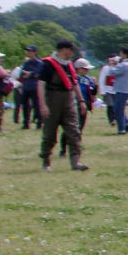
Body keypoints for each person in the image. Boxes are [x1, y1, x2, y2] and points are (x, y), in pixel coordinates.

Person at [36, 39, 88, 171]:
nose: (72, 53)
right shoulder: (47, 64)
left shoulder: (69, 65)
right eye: (70, 50)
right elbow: (40, 85)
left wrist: (81, 101)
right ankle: (46, 162)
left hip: (69, 100)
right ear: (63, 50)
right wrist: (43, 105)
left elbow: (74, 83)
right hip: (52, 100)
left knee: (74, 131)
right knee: (50, 133)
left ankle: (75, 162)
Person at [17, 44, 44, 130]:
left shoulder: (39, 63)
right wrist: (30, 74)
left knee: (36, 105)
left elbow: (38, 73)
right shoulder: (26, 62)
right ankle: (26, 123)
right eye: (27, 51)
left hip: (35, 87)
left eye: (30, 51)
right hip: (26, 86)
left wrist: (30, 74)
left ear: (35, 52)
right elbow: (21, 74)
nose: (28, 52)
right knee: (25, 105)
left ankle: (39, 123)